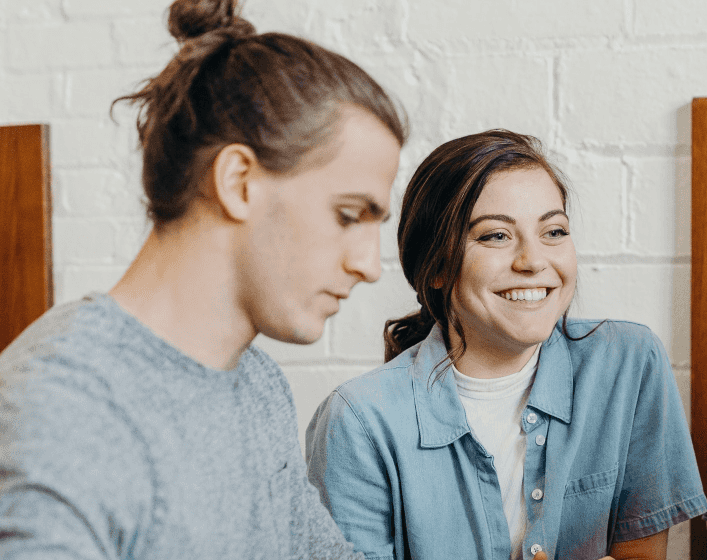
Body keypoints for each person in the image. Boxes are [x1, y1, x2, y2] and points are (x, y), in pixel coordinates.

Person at [0, 0, 406, 557]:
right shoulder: (63, 410)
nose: (368, 263)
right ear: (239, 181)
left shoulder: (259, 384)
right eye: (347, 215)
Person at [305, 129, 707, 560]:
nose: (533, 261)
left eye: (553, 231)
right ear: (436, 267)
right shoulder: (358, 422)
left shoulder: (629, 364)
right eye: (496, 236)